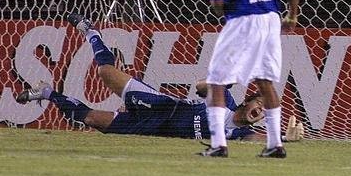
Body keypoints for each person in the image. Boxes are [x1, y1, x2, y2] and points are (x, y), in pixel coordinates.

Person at [16, 15, 289, 142]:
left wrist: (287, 139)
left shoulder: (241, 134)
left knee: (90, 119)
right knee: (105, 72)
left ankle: (48, 93)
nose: (259, 111)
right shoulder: (225, 100)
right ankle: (91, 33)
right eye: (260, 104)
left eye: (265, 112)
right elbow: (200, 87)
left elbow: (261, 144)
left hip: (149, 129)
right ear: (248, 100)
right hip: (158, 106)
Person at [200, 0, 301, 158]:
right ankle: (275, 144)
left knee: (216, 82)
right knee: (265, 81)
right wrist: (291, 17)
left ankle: (219, 144)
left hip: (242, 18)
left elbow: (217, 1)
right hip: (270, 18)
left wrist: (225, 12)